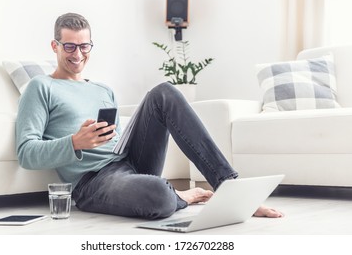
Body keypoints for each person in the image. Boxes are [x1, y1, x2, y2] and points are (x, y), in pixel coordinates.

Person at [16, 12, 283, 219]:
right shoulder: (41, 87)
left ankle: (232, 190)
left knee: (164, 92)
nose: (78, 54)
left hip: (128, 162)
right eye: (70, 47)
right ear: (55, 46)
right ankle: (180, 196)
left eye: (84, 47)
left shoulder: (102, 89)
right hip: (93, 181)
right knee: (159, 196)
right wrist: (75, 143)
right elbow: (26, 153)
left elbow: (118, 140)